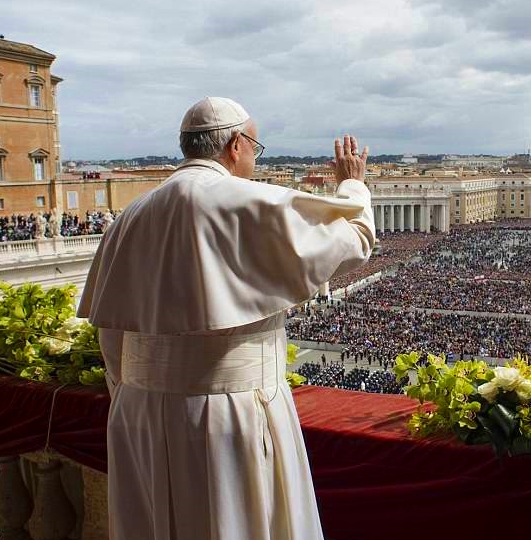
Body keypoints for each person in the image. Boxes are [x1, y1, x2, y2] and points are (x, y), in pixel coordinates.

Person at [78, 97, 374, 540]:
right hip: (228, 412)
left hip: (137, 412)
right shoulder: (250, 202)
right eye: (256, 146)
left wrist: (138, 394)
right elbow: (353, 241)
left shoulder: (130, 216)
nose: (255, 157)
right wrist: (352, 186)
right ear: (237, 144)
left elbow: (111, 335)